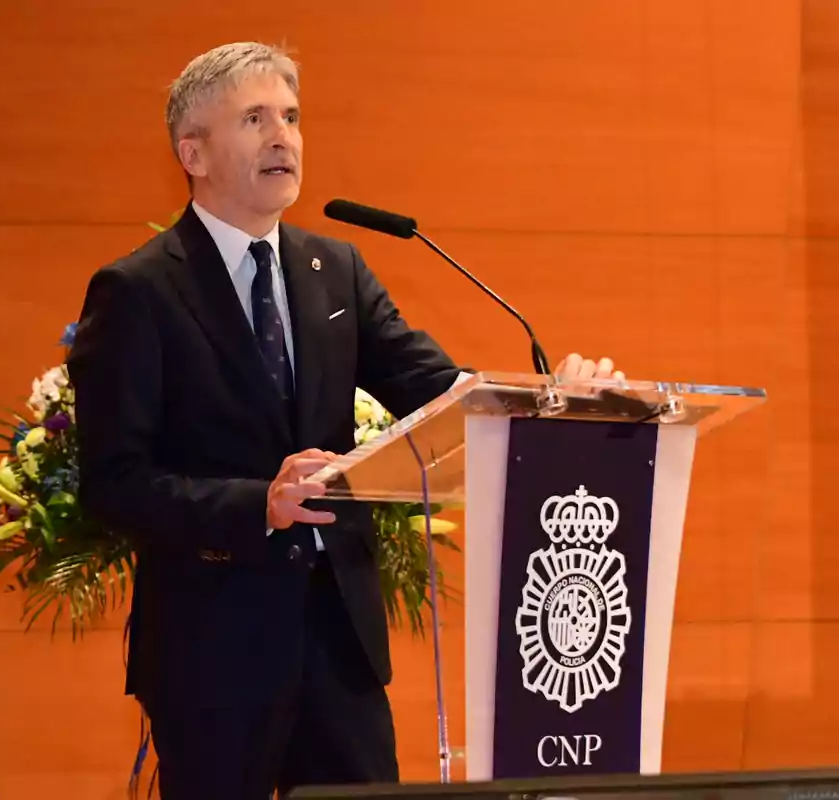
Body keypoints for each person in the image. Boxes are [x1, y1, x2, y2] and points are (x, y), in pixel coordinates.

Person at [67, 41, 623, 800]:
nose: (282, 137)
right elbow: (113, 482)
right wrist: (256, 502)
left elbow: (439, 396)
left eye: (292, 117)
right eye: (254, 118)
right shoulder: (137, 291)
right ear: (190, 151)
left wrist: (553, 400)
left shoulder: (336, 269)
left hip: (339, 649)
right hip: (212, 652)